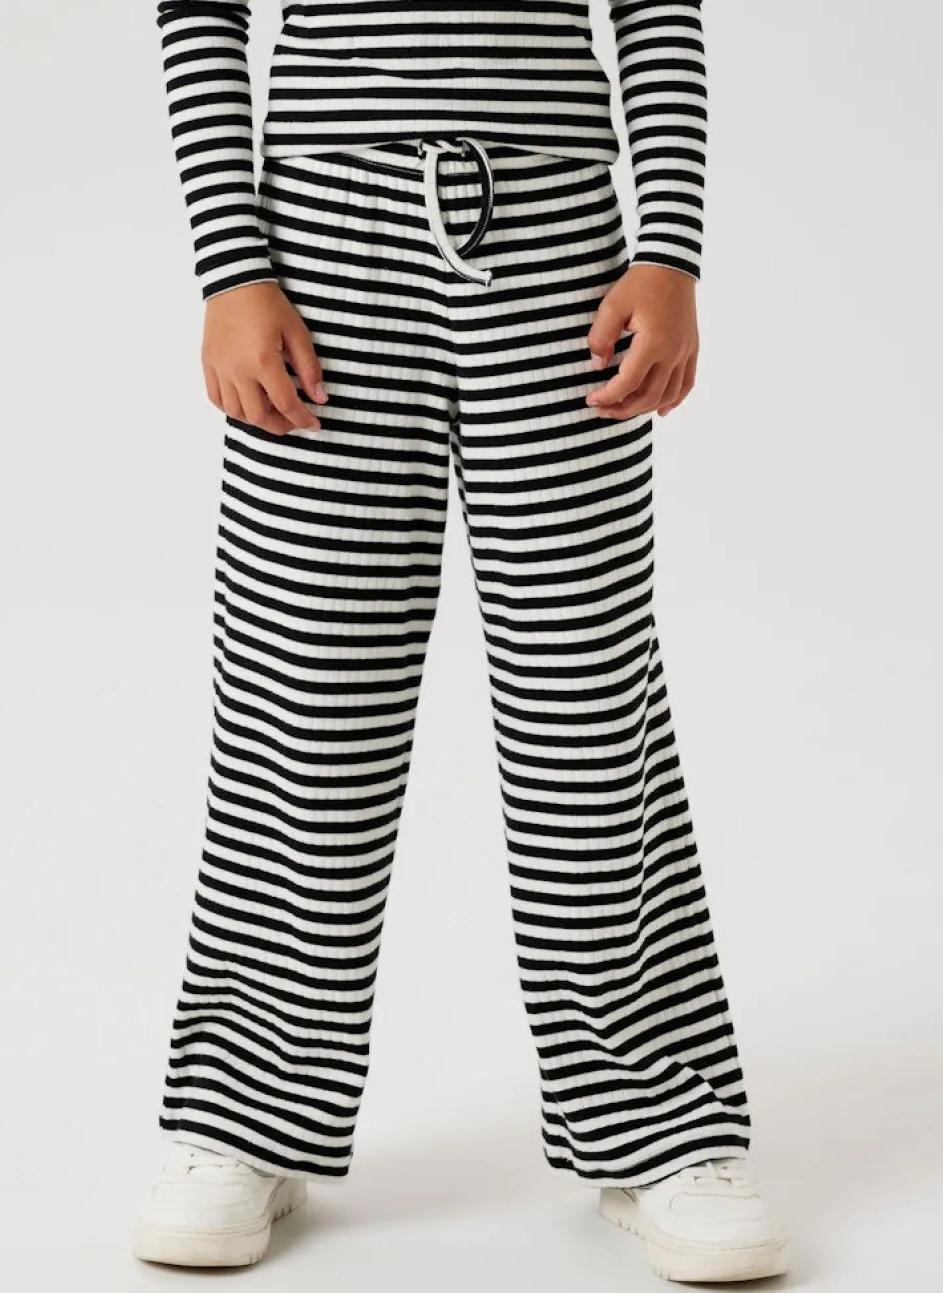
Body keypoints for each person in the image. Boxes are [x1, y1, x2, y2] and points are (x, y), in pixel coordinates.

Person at [133, 1, 789, 1282]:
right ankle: (243, 1115)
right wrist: (231, 267)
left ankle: (655, 1122)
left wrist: (669, 250)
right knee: (304, 693)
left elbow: (658, 8)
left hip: (562, 255)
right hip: (320, 250)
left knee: (585, 700)